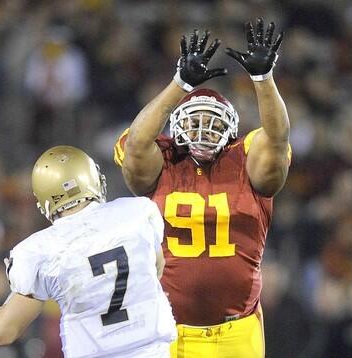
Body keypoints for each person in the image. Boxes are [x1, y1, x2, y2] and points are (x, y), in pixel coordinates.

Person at [114, 18, 291, 357]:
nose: (202, 132)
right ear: (177, 127)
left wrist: (264, 80)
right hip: (165, 328)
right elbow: (136, 143)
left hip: (235, 330)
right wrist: (179, 83)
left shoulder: (246, 157)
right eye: (194, 123)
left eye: (212, 125)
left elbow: (278, 138)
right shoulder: (163, 159)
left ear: (231, 131)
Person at [0, 145, 176, 358]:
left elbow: (2, 333)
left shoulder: (39, 250)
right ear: (92, 178)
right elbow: (156, 268)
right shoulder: (138, 211)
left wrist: (17, 286)